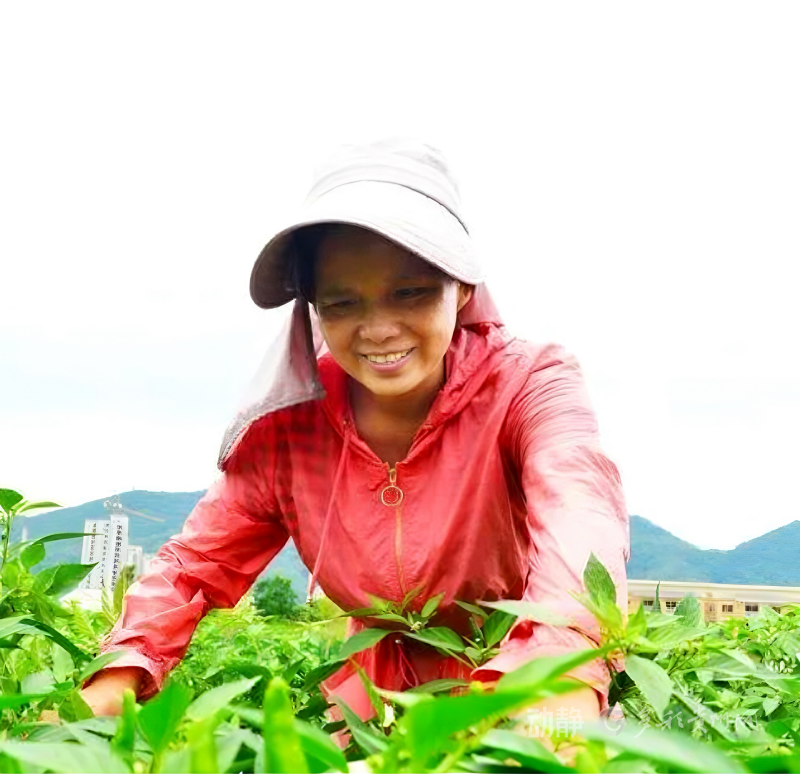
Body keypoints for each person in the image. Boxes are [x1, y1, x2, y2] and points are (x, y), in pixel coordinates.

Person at [80, 139, 629, 729]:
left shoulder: (529, 384)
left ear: (463, 287)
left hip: (518, 695)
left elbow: (579, 514)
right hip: (370, 708)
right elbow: (194, 566)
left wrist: (558, 680)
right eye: (341, 302)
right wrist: (114, 681)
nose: (378, 329)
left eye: (410, 292)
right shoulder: (291, 428)